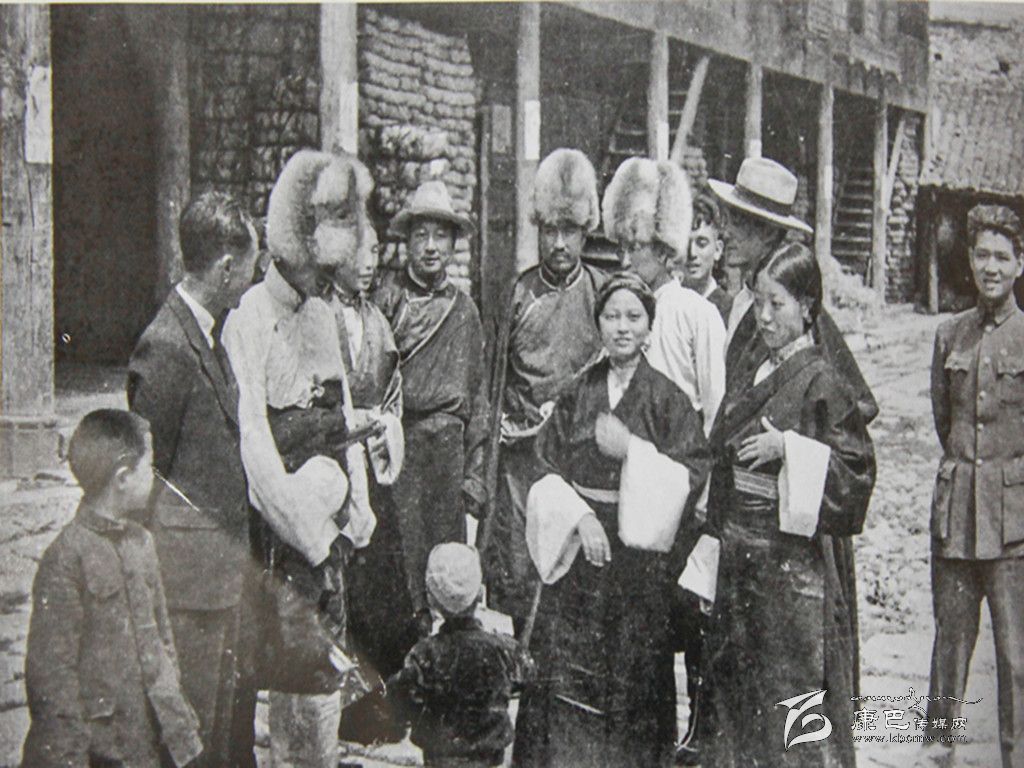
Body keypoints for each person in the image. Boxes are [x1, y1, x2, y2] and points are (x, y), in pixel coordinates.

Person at [512, 273, 712, 768]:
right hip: (581, 552)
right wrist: (579, 517)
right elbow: (543, 466)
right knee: (567, 683)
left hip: (639, 566)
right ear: (598, 324)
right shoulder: (577, 392)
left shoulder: (669, 398)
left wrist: (634, 453)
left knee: (634, 679)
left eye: (633, 317)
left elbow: (692, 474)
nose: (622, 327)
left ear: (649, 326)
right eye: (612, 316)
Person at [223, 149, 379, 768]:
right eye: (319, 271)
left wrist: (357, 508)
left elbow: (343, 412)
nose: (325, 283)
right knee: (286, 671)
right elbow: (254, 445)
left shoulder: (322, 315)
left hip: (327, 532)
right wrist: (307, 534)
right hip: (281, 536)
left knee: (325, 672)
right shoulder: (249, 319)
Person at [700, 242, 876, 768]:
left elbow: (856, 472)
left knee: (793, 701)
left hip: (793, 571)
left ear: (806, 306)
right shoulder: (753, 369)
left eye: (777, 304)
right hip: (740, 559)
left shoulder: (823, 380)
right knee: (738, 698)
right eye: (758, 303)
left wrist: (790, 450)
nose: (764, 316)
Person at [126, 191, 257, 768]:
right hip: (186, 587)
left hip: (217, 579)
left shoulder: (206, 333)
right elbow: (144, 474)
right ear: (226, 268)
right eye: (250, 266)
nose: (253, 278)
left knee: (217, 733)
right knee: (189, 736)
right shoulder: (166, 345)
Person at [23, 410, 203, 768]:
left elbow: (164, 640)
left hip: (151, 741)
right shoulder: (66, 557)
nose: (154, 475)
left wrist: (175, 712)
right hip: (102, 749)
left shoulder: (143, 543)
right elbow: (52, 677)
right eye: (148, 466)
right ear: (122, 478)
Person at [483, 148, 607, 637]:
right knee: (520, 567)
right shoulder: (518, 295)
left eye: (569, 230)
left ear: (586, 231)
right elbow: (494, 384)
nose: (558, 243)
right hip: (522, 461)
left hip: (578, 459)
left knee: (573, 573)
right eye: (549, 230)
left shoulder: (600, 293)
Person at [921, 204, 1024, 768]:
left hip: (1014, 527)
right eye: (982, 255)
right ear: (970, 259)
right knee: (949, 655)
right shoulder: (949, 335)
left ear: (1020, 264)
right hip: (957, 519)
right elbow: (947, 423)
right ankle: (939, 755)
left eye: (1002, 257)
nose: (991, 267)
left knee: (1016, 660)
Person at [372, 180, 489, 636]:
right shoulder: (387, 300)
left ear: (454, 244)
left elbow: (477, 398)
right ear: (407, 242)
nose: (431, 247)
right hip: (400, 447)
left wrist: (474, 475)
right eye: (421, 235)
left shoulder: (465, 311)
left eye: (441, 236)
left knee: (448, 574)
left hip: (447, 455)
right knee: (399, 570)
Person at [327, 223, 417, 744]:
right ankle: (348, 709)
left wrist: (385, 425)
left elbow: (393, 390)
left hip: (374, 466)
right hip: (335, 464)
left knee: (382, 584)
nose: (368, 263)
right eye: (358, 253)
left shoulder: (378, 320)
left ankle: (387, 702)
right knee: (344, 587)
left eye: (375, 252)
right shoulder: (317, 317)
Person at [709, 156, 878, 424]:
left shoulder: (798, 314)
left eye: (737, 223)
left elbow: (854, 407)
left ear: (767, 232)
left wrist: (789, 442)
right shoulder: (742, 300)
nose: (725, 233)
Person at [601, 156, 726, 435]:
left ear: (662, 247)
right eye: (621, 248)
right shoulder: (619, 314)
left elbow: (715, 410)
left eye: (636, 247)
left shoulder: (696, 313)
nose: (625, 261)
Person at [386, 543, 533, 768]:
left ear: (431, 599)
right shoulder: (503, 649)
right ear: (480, 594)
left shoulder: (426, 654)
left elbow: (398, 695)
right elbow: (528, 674)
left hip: (440, 759)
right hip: (488, 759)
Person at [674, 191, 733, 325]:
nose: (692, 253)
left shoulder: (730, 311)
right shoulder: (666, 303)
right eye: (685, 243)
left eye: (701, 243)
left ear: (717, 250)